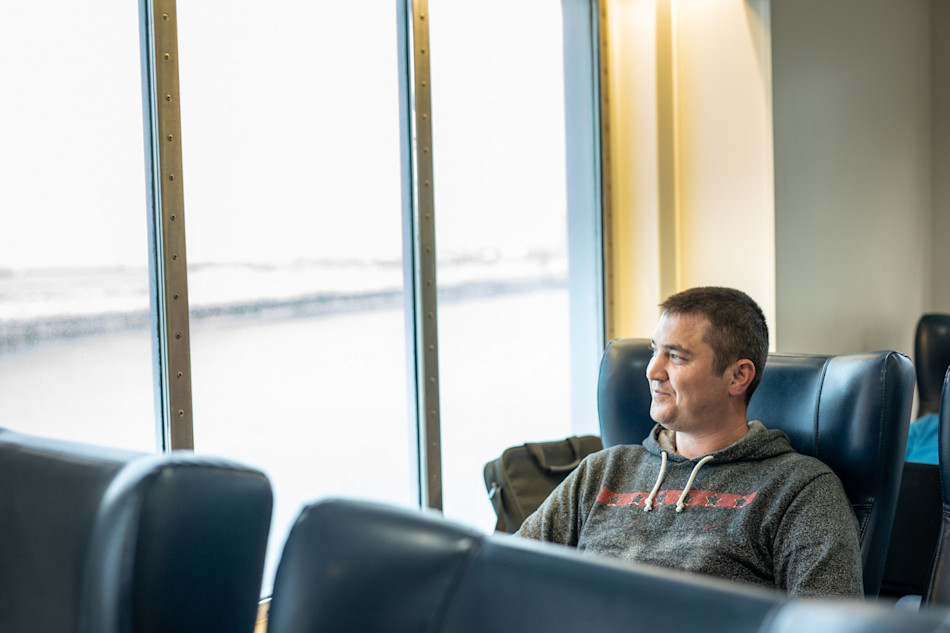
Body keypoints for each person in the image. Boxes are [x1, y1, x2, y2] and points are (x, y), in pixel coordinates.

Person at [518, 286, 863, 598]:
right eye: (655, 351)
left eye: (676, 356)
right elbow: (508, 580)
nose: (652, 371)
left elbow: (828, 623)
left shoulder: (800, 490)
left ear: (738, 376)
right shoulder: (601, 472)